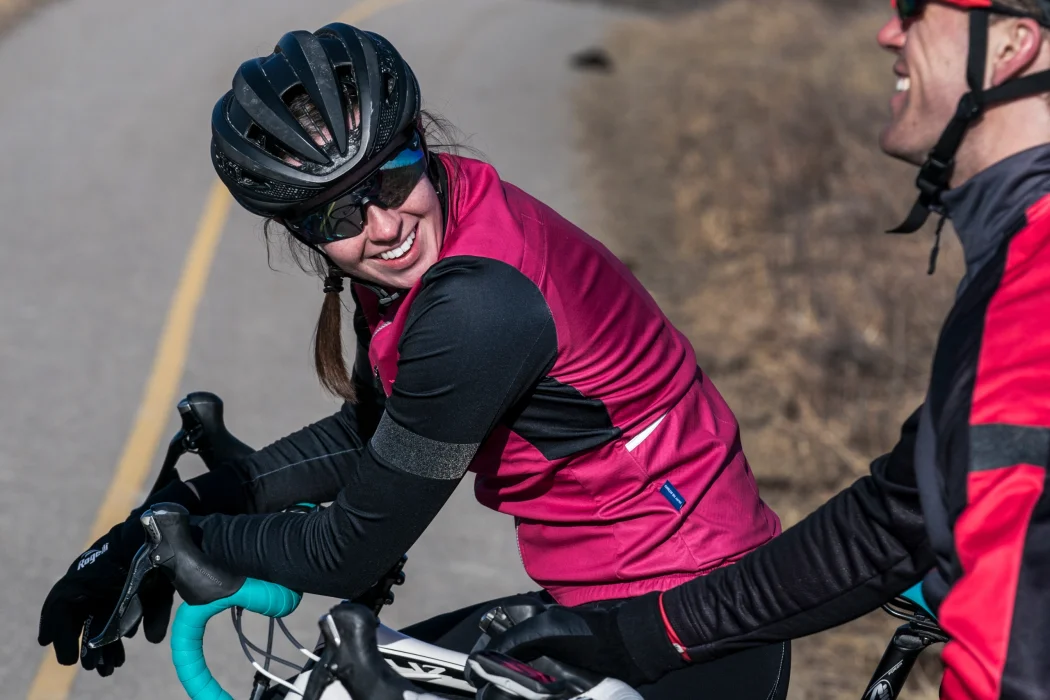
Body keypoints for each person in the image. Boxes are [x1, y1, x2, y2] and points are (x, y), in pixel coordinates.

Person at [36, 22, 790, 700]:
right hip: (615, 601)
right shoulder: (441, 233)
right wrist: (165, 519)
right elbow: (371, 435)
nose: (385, 225)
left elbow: (350, 553)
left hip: (691, 625)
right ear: (302, 233)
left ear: (419, 142)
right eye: (337, 214)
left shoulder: (479, 304)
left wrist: (181, 540)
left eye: (391, 180)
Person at [487, 1, 1050, 699]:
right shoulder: (1016, 261)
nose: (889, 32)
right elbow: (893, 523)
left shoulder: (1032, 301)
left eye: (916, 9)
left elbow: (1017, 654)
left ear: (1013, 44)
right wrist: (636, 637)